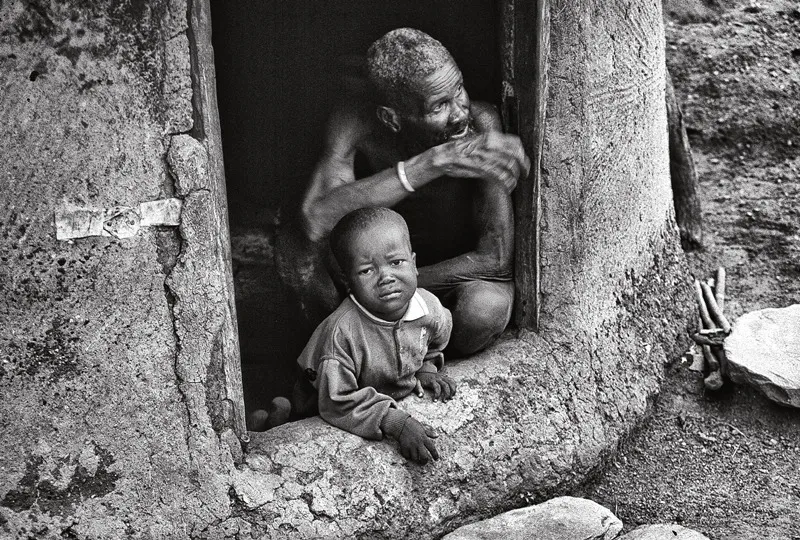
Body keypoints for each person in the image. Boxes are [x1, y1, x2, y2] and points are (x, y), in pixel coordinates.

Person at [276, 27, 530, 357]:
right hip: (374, 273)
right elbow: (315, 220)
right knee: (298, 255)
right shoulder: (357, 124)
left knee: (485, 308)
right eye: (439, 106)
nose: (459, 113)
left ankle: (418, 366)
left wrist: (388, 287)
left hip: (444, 277)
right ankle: (347, 369)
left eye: (460, 91)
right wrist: (426, 165)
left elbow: (495, 260)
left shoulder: (481, 123)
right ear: (392, 118)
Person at [261, 208, 456, 464]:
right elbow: (335, 401)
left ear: (415, 263)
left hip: (372, 385)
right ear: (348, 281)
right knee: (297, 424)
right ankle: (273, 421)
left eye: (396, 262)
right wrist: (395, 421)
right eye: (367, 271)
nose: (386, 277)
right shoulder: (342, 333)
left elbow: (436, 338)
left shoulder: (429, 308)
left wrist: (427, 368)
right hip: (320, 395)